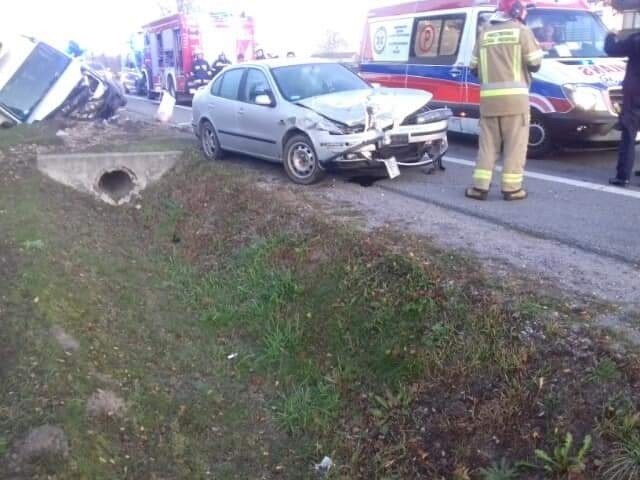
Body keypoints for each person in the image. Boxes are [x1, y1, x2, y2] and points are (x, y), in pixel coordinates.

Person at [465, 0, 543, 201]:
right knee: (515, 147)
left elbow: (473, 68)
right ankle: (512, 189)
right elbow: (535, 63)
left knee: (487, 146)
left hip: (489, 103)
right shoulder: (522, 32)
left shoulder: (484, 33)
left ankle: (479, 187)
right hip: (515, 103)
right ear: (517, 11)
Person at [605, 29, 640, 187]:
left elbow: (612, 50)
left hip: (635, 93)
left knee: (629, 135)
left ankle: (623, 176)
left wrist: (611, 36)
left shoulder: (635, 39)